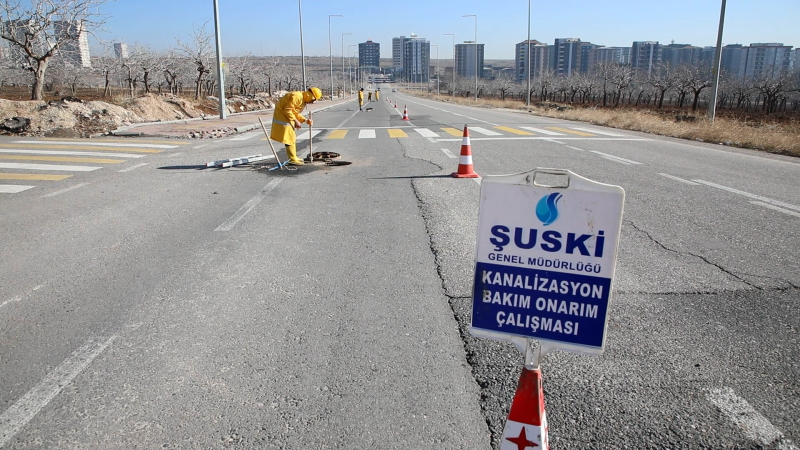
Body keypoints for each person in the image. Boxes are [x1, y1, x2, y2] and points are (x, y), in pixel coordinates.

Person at [270, 87, 322, 165]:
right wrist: (296, 121)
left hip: (286, 117)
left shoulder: (301, 99)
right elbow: (288, 110)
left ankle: (294, 157)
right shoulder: (297, 96)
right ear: (310, 95)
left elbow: (295, 112)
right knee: (289, 138)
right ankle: (292, 159)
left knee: (291, 137)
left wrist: (305, 120)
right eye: (313, 99)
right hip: (283, 117)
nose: (312, 102)